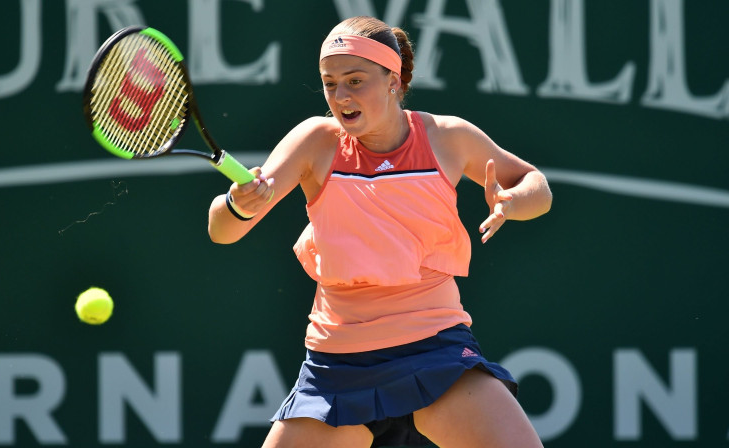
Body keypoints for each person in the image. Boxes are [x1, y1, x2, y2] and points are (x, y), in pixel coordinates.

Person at [208, 15, 552, 448]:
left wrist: (514, 201)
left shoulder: (448, 137)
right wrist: (238, 204)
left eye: (355, 81)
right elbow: (222, 230)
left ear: (394, 80)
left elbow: (535, 185)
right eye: (329, 83)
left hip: (436, 349)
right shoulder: (317, 141)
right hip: (337, 366)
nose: (340, 96)